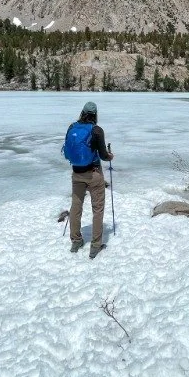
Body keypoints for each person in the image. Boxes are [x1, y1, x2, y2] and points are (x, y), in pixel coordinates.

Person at [65, 101, 113, 259]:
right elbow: (103, 156)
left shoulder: (72, 127)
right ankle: (95, 246)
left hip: (76, 173)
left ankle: (76, 240)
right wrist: (110, 156)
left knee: (76, 207)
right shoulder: (97, 130)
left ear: (82, 112)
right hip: (93, 174)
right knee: (97, 209)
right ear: (95, 114)